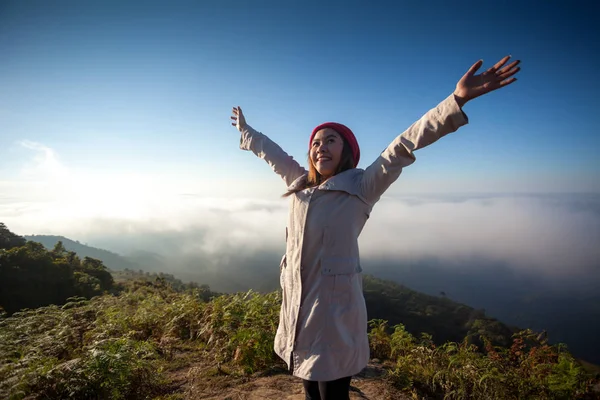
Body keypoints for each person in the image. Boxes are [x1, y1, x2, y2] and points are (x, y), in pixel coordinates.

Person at [230, 56, 520, 400]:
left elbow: (402, 146)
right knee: (308, 384)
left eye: (331, 140)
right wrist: (246, 132)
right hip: (298, 301)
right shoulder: (299, 183)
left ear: (347, 151)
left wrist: (455, 101)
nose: (321, 146)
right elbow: (271, 153)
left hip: (334, 309)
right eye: (316, 142)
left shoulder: (362, 186)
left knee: (333, 390)